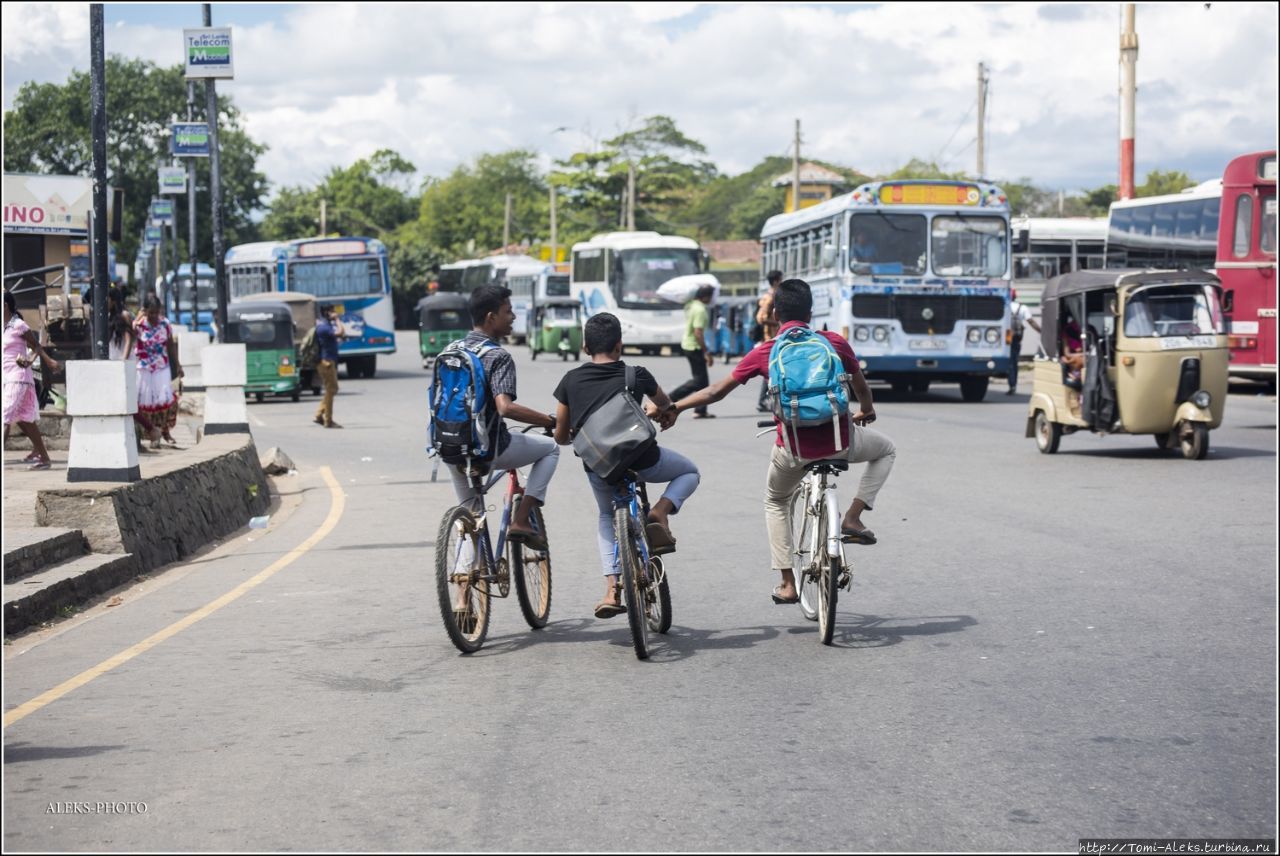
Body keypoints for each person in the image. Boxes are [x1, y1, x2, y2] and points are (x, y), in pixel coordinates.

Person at [659, 278, 896, 604]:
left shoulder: (767, 351)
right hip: (840, 441)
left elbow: (715, 392)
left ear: (776, 314)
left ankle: (788, 582)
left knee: (776, 501)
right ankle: (853, 516)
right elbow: (861, 389)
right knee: (886, 450)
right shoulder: (834, 343)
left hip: (794, 449)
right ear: (811, 312)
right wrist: (866, 411)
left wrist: (675, 407)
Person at [552, 312, 699, 619]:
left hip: (600, 466)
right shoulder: (637, 374)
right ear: (619, 346)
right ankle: (659, 511)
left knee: (607, 515)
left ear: (584, 346)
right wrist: (664, 412)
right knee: (689, 472)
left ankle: (611, 589)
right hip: (643, 459)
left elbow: (562, 436)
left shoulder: (570, 381)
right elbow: (665, 404)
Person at [446, 284, 559, 550]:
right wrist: (550, 421)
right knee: (551, 449)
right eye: (508, 312)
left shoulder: (450, 350)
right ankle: (520, 519)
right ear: (490, 317)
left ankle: (464, 588)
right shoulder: (498, 356)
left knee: (472, 521)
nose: (514, 317)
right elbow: (505, 408)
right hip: (488, 449)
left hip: (449, 448)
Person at [3, 291, 61, 470]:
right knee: (23, 419)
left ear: (5, 305)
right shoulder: (4, 327)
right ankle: (44, 457)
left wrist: (33, 359)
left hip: (18, 377)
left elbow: (36, 345)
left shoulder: (18, 325)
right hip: (6, 377)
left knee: (4, 416)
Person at [133, 295, 183, 448]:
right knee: (144, 403)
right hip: (144, 369)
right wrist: (140, 315)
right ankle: (148, 434)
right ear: (145, 311)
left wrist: (178, 365)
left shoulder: (165, 324)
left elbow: (170, 346)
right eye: (151, 312)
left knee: (164, 401)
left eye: (157, 312)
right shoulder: (139, 325)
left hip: (162, 367)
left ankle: (165, 432)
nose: (154, 316)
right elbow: (133, 327)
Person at [668, 284, 716, 419]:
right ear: (705, 297)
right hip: (694, 346)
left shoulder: (691, 304)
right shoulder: (700, 310)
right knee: (699, 381)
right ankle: (671, 397)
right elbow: (698, 333)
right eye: (711, 296)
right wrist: (706, 352)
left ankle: (700, 410)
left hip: (687, 344)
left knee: (702, 381)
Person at [313, 304, 346, 429]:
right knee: (331, 390)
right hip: (326, 362)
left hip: (328, 361)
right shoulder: (323, 327)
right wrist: (337, 319)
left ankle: (319, 415)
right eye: (332, 311)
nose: (334, 313)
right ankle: (328, 420)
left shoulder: (325, 325)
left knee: (331, 390)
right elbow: (341, 331)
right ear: (327, 312)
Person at [755, 270, 783, 412]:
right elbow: (761, 317)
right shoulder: (770, 297)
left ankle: (765, 400)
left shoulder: (774, 295)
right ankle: (763, 401)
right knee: (771, 369)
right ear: (776, 281)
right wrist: (777, 323)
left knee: (773, 368)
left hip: (774, 337)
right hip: (770, 338)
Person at [1007, 289, 1041, 395]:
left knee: (1009, 362)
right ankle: (1013, 385)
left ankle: (1011, 382)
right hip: (1016, 338)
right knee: (1014, 361)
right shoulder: (1023, 308)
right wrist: (1041, 331)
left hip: (1005, 338)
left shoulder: (1004, 305)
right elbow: (1030, 321)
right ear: (1016, 296)